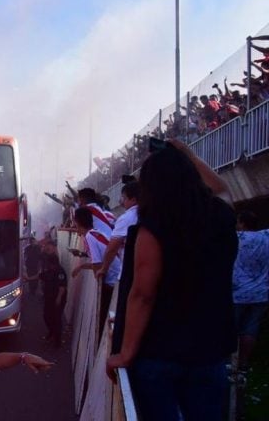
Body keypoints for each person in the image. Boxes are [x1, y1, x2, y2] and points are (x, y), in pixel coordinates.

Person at [106, 139, 237, 420]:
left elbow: (142, 294)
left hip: (159, 353)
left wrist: (126, 353)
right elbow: (223, 189)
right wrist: (188, 155)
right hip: (209, 351)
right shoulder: (222, 217)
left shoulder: (152, 229)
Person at [71, 207, 121, 336]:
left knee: (105, 317)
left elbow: (97, 264)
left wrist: (97, 280)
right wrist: (81, 267)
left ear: (78, 222)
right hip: (116, 277)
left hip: (111, 283)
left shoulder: (89, 236)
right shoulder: (96, 233)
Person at [232, 211, 269, 380]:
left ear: (242, 224)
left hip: (237, 293)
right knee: (250, 330)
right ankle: (243, 365)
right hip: (261, 293)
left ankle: (230, 363)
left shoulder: (236, 238)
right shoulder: (266, 237)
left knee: (231, 328)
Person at [96, 181, 139, 282]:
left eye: (124, 198)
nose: (121, 201)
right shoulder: (150, 215)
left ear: (133, 200)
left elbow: (112, 248)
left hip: (128, 272)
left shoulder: (126, 218)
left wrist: (103, 269)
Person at [39, 240, 67, 347]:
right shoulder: (49, 271)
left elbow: (62, 287)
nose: (49, 266)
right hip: (48, 298)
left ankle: (57, 341)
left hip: (58, 299)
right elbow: (40, 276)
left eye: (50, 264)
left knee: (57, 319)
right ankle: (51, 332)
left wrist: (59, 298)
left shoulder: (60, 271)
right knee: (47, 316)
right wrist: (27, 278)